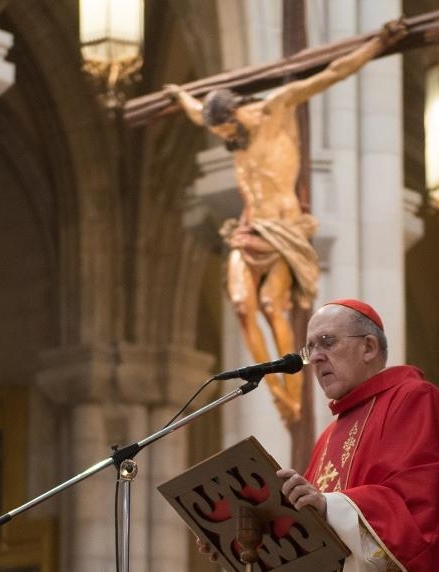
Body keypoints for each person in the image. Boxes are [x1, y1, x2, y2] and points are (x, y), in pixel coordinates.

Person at [164, 20, 409, 427]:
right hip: (249, 229)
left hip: (281, 230)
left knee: (268, 304)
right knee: (243, 304)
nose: (224, 137)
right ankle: (272, 385)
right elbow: (194, 110)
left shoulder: (273, 109)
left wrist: (378, 44)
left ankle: (290, 386)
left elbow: (333, 73)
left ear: (236, 113)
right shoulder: (229, 127)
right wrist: (176, 94)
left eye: (225, 128)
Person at [276, 298, 439, 572]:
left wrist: (328, 506)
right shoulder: (327, 437)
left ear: (369, 347)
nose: (315, 357)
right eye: (310, 347)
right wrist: (247, 543)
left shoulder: (413, 398)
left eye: (327, 342)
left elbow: (414, 515)